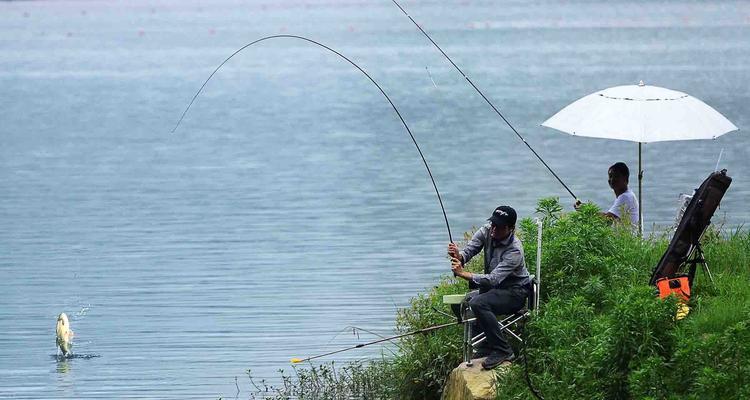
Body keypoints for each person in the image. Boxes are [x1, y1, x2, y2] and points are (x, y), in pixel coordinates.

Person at [447, 205, 530, 370]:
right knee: (467, 301)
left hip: (515, 292)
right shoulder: (487, 230)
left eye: (499, 227)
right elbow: (470, 251)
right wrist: (459, 255)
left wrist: (463, 273)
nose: (494, 229)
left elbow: (492, 279)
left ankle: (503, 350)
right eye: (493, 224)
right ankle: (485, 346)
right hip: (495, 290)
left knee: (479, 303)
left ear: (510, 229)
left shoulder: (514, 250)